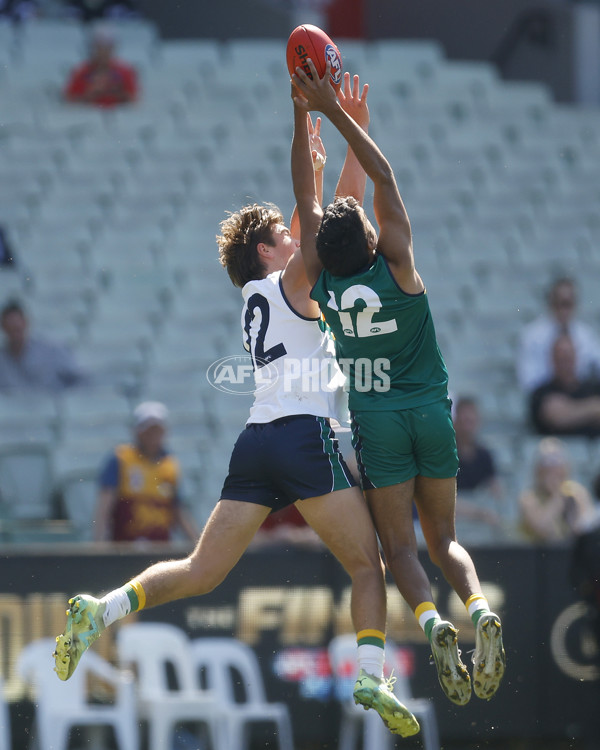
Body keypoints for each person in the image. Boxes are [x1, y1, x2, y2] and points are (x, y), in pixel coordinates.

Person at [54, 75, 420, 740]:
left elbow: (319, 221)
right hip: (303, 436)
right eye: (282, 230)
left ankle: (98, 610)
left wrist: (317, 149)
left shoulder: (259, 293)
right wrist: (335, 124)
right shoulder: (291, 281)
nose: (292, 230)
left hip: (256, 442)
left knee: (200, 571)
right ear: (267, 249)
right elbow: (334, 216)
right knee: (370, 564)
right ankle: (372, 671)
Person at [290, 60, 505, 706]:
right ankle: (476, 606)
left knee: (399, 550)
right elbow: (381, 176)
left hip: (378, 424)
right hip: (431, 413)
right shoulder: (400, 265)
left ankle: (434, 623)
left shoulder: (324, 282)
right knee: (446, 541)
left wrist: (303, 113)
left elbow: (306, 198)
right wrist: (340, 116)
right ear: (374, 236)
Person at [93, 401, 200, 544]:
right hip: (124, 549)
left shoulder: (170, 464)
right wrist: (99, 543)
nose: (153, 435)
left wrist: (196, 543)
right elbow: (105, 506)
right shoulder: (121, 459)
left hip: (160, 550)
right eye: (148, 430)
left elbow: (178, 510)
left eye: (157, 430)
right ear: (137, 431)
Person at [517, 276, 600, 395]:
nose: (564, 310)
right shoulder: (532, 336)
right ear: (551, 303)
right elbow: (528, 380)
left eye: (568, 304)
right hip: (546, 396)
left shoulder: (586, 335)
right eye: (560, 304)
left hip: (580, 394)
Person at [0, 299, 89, 393]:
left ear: (25, 323)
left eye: (17, 328)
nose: (14, 334)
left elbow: (78, 379)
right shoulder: (2, 359)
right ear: (3, 328)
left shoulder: (52, 351)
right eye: (10, 328)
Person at [518, 437, 595, 543]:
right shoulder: (529, 497)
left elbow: (585, 526)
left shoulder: (576, 492)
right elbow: (542, 529)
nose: (553, 468)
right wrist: (557, 497)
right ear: (538, 469)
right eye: (547, 461)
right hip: (537, 556)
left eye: (557, 460)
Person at [530, 332, 600, 437]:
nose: (565, 363)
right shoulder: (541, 393)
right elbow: (557, 417)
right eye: (561, 358)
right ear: (552, 359)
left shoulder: (593, 388)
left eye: (568, 357)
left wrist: (569, 409)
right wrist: (593, 407)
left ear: (576, 357)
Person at [453, 396, 504, 532]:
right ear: (455, 421)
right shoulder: (444, 455)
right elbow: (441, 499)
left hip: (481, 521)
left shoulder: (485, 455)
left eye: (471, 420)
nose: (468, 425)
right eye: (464, 420)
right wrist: (478, 513)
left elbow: (496, 490)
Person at [63, 24, 138, 108]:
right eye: (99, 47)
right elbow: (69, 100)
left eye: (107, 48)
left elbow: (133, 100)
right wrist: (90, 95)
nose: (103, 52)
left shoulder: (125, 72)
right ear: (92, 48)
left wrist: (114, 92)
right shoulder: (80, 71)